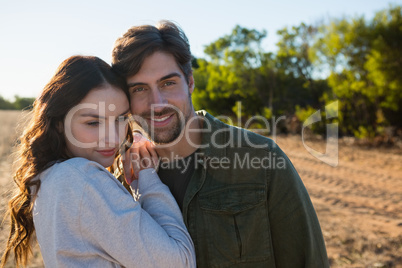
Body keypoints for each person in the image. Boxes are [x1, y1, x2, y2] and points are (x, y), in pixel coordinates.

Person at [112, 21, 330, 267]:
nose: (157, 102)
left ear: (190, 83)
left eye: (168, 83)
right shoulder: (124, 179)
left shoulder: (262, 160)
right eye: (140, 89)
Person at [0, 55, 196, 268]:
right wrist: (146, 175)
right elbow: (180, 262)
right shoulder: (79, 179)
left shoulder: (51, 176)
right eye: (93, 122)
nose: (113, 138)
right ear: (58, 123)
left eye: (121, 119)